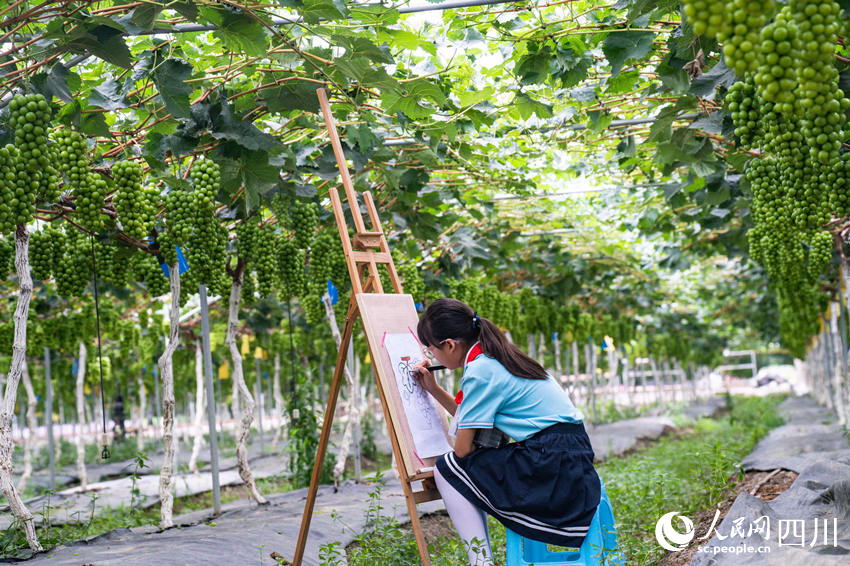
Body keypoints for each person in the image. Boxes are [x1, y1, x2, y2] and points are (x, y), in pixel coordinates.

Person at [414, 298, 600, 566]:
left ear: (450, 344)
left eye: (430, 349)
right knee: (468, 464)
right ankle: (482, 560)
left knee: (448, 467)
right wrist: (433, 390)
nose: (432, 357)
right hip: (566, 455)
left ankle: (480, 561)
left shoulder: (481, 370)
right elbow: (473, 423)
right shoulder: (496, 356)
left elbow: (463, 449)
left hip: (553, 464)